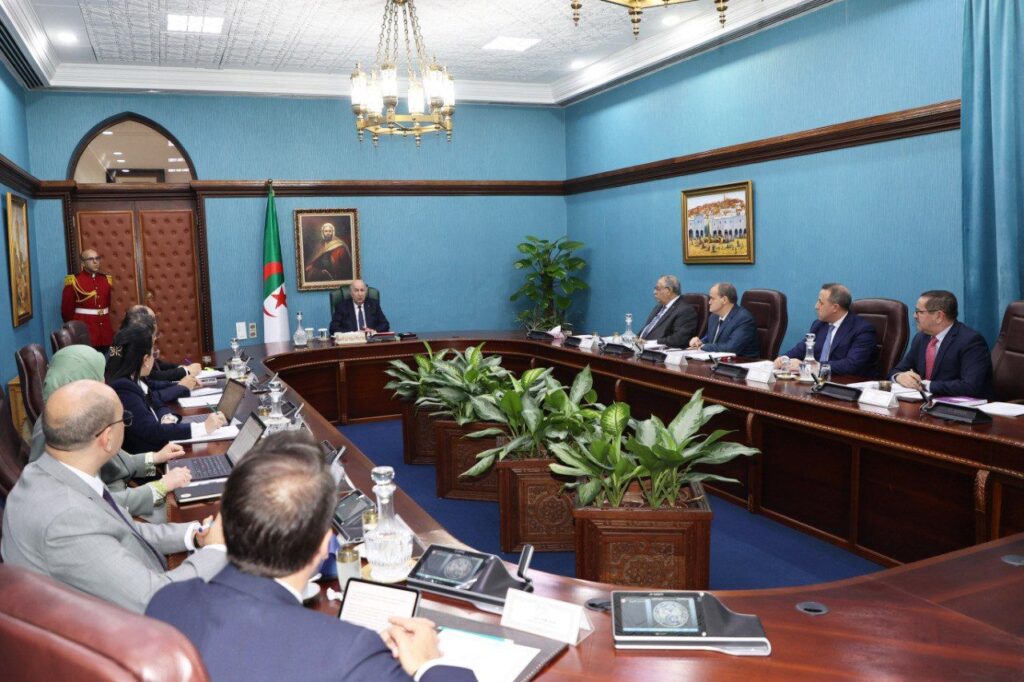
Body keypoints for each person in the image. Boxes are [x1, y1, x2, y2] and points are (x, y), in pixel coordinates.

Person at [146, 433, 475, 682]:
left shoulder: (168, 602)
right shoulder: (349, 652)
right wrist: (430, 665)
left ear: (225, 525)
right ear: (323, 547)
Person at [1, 380, 228, 613]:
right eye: (124, 419)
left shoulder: (55, 471)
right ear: (107, 438)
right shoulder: (68, 517)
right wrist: (215, 549)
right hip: (124, 624)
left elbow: (126, 530)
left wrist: (193, 535)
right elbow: (157, 600)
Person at [27, 345, 191, 521]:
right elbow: (93, 503)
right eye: (98, 377)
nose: (104, 382)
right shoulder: (58, 429)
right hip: (113, 514)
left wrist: (156, 457)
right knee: (187, 512)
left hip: (122, 499)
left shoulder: (78, 412)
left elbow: (115, 463)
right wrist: (159, 488)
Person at [106, 326, 226, 454]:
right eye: (153, 354)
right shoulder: (123, 388)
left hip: (161, 449)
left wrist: (166, 417)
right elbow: (151, 431)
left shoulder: (135, 378)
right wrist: (204, 427)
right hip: (151, 461)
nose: (154, 359)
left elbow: (156, 402)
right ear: (145, 360)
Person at [891, 290, 993, 398]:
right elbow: (896, 370)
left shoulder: (970, 341)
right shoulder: (921, 338)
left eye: (919, 311)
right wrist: (899, 377)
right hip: (927, 403)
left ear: (939, 316)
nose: (914, 316)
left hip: (960, 406)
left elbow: (970, 386)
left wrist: (926, 385)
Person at [775, 283, 877, 376]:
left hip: (846, 383)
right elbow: (800, 350)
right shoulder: (819, 325)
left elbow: (851, 365)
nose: (816, 306)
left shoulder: (863, 330)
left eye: (820, 302)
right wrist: (784, 359)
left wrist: (809, 367)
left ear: (835, 308)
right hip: (817, 381)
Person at [61, 248, 113, 351]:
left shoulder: (105, 280)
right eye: (91, 259)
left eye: (97, 258)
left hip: (105, 330)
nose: (95, 262)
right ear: (83, 263)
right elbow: (66, 311)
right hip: (86, 331)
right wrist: (75, 330)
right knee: (88, 358)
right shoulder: (74, 281)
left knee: (113, 355)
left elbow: (107, 305)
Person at [688, 282, 759, 356]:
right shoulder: (713, 317)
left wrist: (703, 347)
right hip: (719, 360)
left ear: (724, 300)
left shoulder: (743, 319)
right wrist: (700, 342)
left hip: (742, 361)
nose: (709, 302)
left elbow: (730, 349)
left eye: (712, 298)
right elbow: (710, 339)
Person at [637, 275, 696, 348]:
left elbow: (678, 339)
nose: (654, 292)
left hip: (657, 351)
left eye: (657, 288)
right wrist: (635, 339)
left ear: (668, 290)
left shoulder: (685, 310)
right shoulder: (658, 307)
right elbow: (647, 329)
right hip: (640, 347)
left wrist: (649, 343)